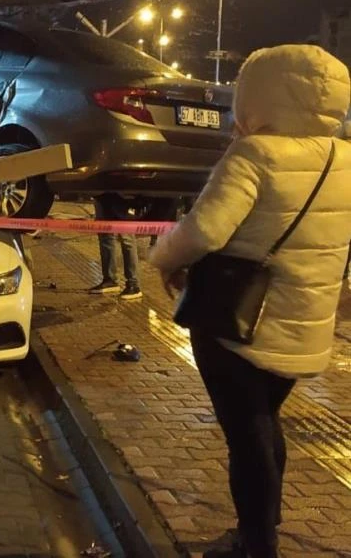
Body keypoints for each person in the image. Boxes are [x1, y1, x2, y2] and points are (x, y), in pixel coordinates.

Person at [150, 45, 351, 558]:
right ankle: (264, 526)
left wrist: (163, 258)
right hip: (305, 322)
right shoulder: (345, 157)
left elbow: (204, 231)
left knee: (248, 435)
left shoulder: (255, 155)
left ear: (260, 94)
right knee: (263, 423)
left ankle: (257, 543)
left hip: (235, 321)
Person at [89, 193, 141, 299]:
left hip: (122, 194)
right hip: (102, 193)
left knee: (126, 238)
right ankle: (110, 280)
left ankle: (133, 284)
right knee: (105, 235)